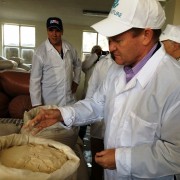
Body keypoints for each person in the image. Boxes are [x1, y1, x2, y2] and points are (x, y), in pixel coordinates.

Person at [24, 0, 180, 179]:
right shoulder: (116, 69)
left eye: (118, 40)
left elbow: (176, 153)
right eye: (109, 39)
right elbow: (96, 104)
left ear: (146, 35)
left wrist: (122, 159)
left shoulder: (174, 83)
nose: (111, 47)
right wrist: (61, 114)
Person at [29, 17, 82, 107]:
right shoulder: (40, 52)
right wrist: (37, 105)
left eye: (57, 30)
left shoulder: (69, 48)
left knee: (71, 120)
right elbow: (34, 80)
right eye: (51, 30)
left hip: (69, 100)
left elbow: (78, 64)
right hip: (50, 102)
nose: (54, 34)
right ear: (47, 31)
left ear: (62, 32)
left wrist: (76, 81)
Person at [86, 53, 114, 180]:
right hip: (98, 119)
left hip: (115, 125)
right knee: (97, 156)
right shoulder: (101, 64)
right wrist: (86, 113)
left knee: (113, 163)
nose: (113, 46)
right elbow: (91, 90)